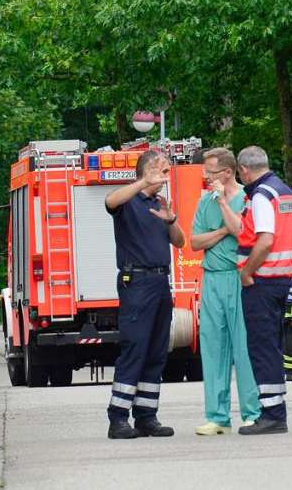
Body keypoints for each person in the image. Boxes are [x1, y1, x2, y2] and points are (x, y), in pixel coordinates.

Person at [104, 149, 186, 439]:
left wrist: (171, 219)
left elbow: (180, 242)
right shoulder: (129, 201)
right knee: (135, 349)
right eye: (162, 171)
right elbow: (109, 201)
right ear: (147, 170)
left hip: (161, 283)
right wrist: (142, 182)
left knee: (155, 352)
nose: (166, 176)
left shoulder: (159, 204)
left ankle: (147, 417)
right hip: (136, 282)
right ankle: (118, 419)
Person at [190, 148, 261, 435]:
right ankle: (217, 416)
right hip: (212, 279)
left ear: (228, 172)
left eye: (211, 172)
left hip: (238, 276)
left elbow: (243, 232)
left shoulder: (247, 198)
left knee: (244, 347)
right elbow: (195, 242)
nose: (206, 177)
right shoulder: (202, 200)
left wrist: (221, 203)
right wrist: (220, 232)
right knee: (213, 347)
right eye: (205, 172)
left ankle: (252, 412)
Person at [236, 146, 292, 435]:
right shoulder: (286, 192)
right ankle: (276, 411)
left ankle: (273, 414)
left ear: (244, 170)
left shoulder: (262, 195)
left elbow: (264, 241)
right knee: (272, 346)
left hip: (261, 281)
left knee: (262, 348)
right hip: (283, 279)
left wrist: (247, 272)